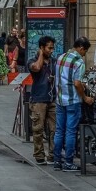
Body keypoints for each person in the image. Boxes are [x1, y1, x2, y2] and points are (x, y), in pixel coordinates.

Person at [53, 37, 94, 172]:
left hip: (60, 99)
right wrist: (85, 97)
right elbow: (77, 83)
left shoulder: (61, 57)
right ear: (81, 48)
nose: (84, 54)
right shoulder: (79, 62)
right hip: (73, 101)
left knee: (59, 131)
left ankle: (57, 161)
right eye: (85, 51)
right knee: (71, 131)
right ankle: (69, 162)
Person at [28, 35, 56, 166]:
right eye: (49, 48)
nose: (51, 51)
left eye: (52, 48)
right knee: (38, 128)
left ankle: (52, 154)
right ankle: (39, 155)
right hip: (39, 98)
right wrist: (40, 55)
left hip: (52, 98)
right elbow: (37, 68)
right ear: (41, 48)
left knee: (54, 129)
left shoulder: (54, 62)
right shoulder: (32, 61)